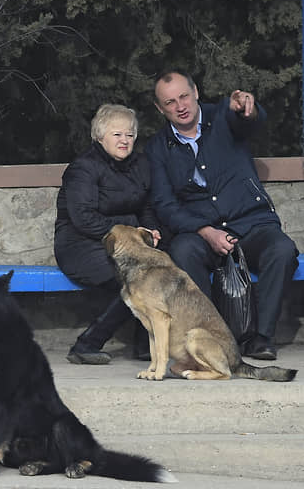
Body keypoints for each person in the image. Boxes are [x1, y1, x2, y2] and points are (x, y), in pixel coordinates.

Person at [146, 69, 299, 360]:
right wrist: (206, 231)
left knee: (282, 250)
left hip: (251, 221)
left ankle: (263, 338)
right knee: (182, 249)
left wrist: (248, 109)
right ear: (159, 108)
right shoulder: (157, 149)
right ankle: (214, 338)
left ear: (196, 93)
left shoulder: (222, 116)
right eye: (170, 102)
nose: (180, 106)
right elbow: (165, 205)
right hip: (202, 230)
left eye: (184, 96)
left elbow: (251, 122)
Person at [55, 104, 162, 365]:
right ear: (100, 136)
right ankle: (87, 344)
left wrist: (150, 230)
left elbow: (146, 206)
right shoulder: (83, 168)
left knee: (154, 273)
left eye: (130, 135)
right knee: (134, 279)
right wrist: (132, 232)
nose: (125, 141)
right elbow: (84, 218)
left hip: (125, 244)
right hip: (80, 245)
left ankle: (144, 345)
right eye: (117, 134)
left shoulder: (140, 164)